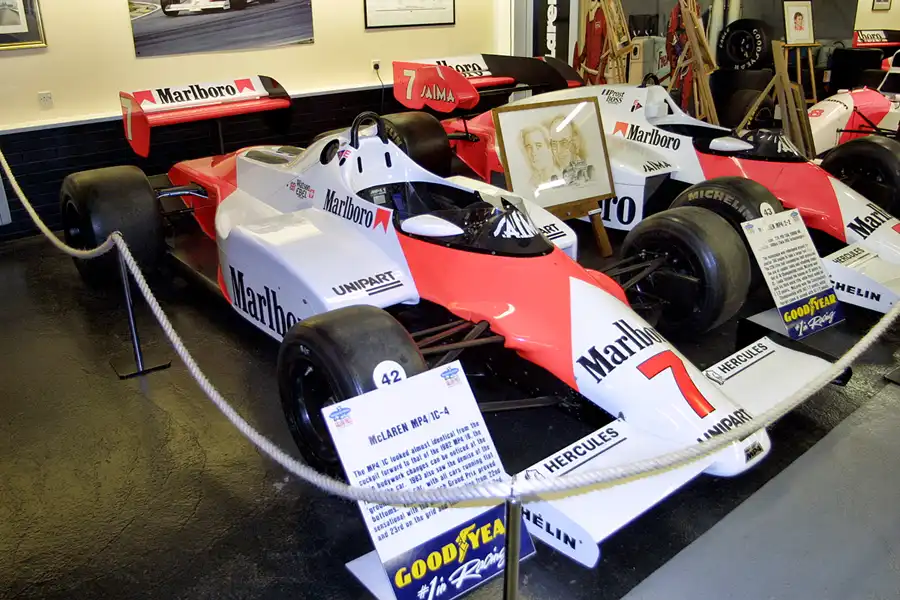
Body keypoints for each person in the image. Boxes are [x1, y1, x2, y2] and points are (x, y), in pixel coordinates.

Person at [548, 116, 593, 184]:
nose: (559, 151)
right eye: (554, 144)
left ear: (575, 142)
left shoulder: (587, 169)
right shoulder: (552, 175)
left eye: (563, 143)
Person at [521, 125, 561, 190]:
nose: (533, 152)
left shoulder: (563, 176)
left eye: (538, 145)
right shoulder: (529, 184)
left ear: (549, 147)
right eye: (529, 147)